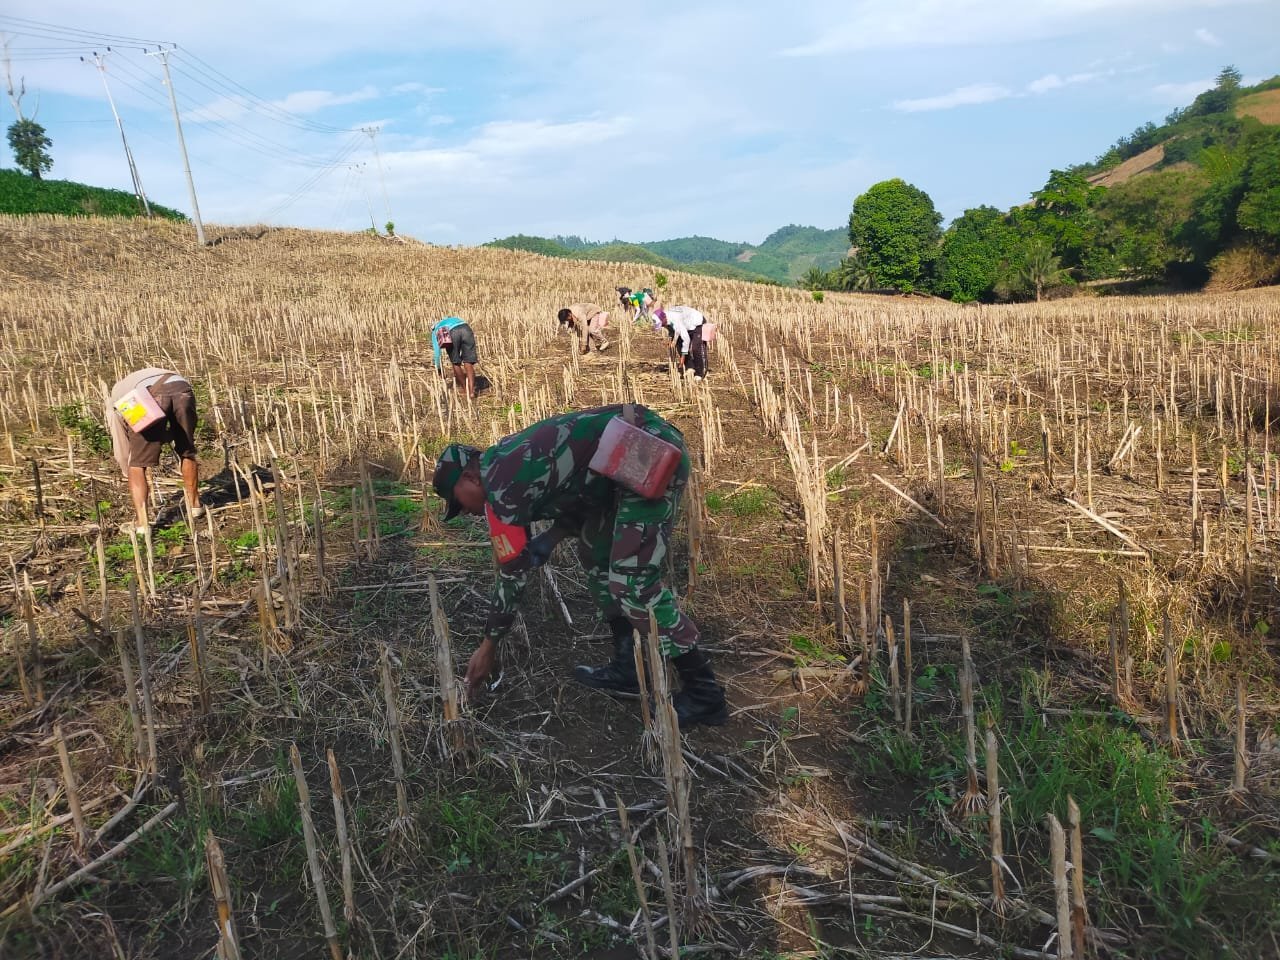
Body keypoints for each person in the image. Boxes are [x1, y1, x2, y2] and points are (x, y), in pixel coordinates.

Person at [432, 404, 728, 727]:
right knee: (595, 554)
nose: (464, 511)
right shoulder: (502, 464)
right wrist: (551, 539)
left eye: (458, 501)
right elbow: (581, 491)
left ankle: (704, 693)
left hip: (648, 451)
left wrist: (488, 646)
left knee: (633, 584)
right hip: (618, 469)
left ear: (470, 477)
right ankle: (628, 666)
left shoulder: (502, 484)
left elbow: (512, 576)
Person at [106, 367, 203, 534]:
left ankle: (142, 524)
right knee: (186, 451)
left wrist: (127, 466)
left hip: (150, 395)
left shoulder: (117, 398)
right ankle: (195, 506)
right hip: (182, 388)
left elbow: (122, 446)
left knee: (137, 464)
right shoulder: (140, 377)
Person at [653, 306, 710, 380]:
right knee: (678, 343)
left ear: (664, 319)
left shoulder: (675, 319)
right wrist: (672, 339)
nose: (662, 326)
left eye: (661, 324)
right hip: (685, 325)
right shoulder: (666, 319)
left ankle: (700, 372)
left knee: (696, 348)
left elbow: (686, 339)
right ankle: (690, 367)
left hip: (697, 323)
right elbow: (672, 330)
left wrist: (683, 357)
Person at [430, 316, 480, 398]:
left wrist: (439, 369)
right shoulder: (450, 319)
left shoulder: (436, 330)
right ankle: (472, 392)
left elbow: (437, 353)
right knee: (468, 362)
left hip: (452, 332)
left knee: (455, 362)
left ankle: (465, 390)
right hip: (466, 328)